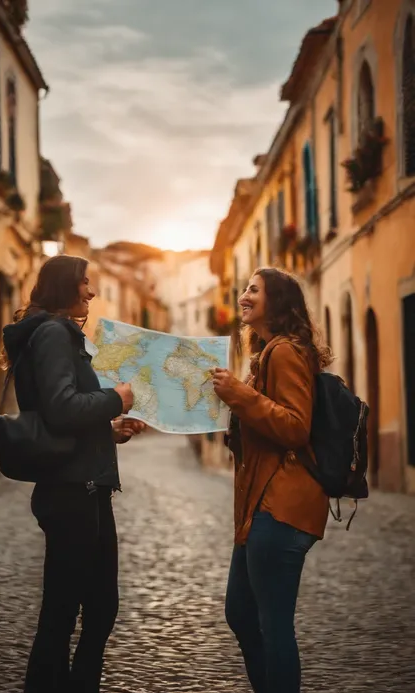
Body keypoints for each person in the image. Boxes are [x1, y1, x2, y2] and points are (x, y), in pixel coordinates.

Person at [0, 254, 145, 693]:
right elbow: (62, 409)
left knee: (99, 607)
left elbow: (60, 413)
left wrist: (108, 430)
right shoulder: (53, 335)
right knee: (66, 611)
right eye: (85, 282)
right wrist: (114, 399)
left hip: (85, 486)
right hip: (71, 492)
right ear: (66, 285)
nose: (92, 291)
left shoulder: (56, 334)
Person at [212, 267, 332, 693]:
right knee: (241, 613)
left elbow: (296, 427)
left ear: (276, 302)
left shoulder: (284, 352)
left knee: (272, 623)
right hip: (258, 506)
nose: (244, 295)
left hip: (280, 506)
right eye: (244, 287)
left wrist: (240, 397)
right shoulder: (265, 353)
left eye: (254, 290)